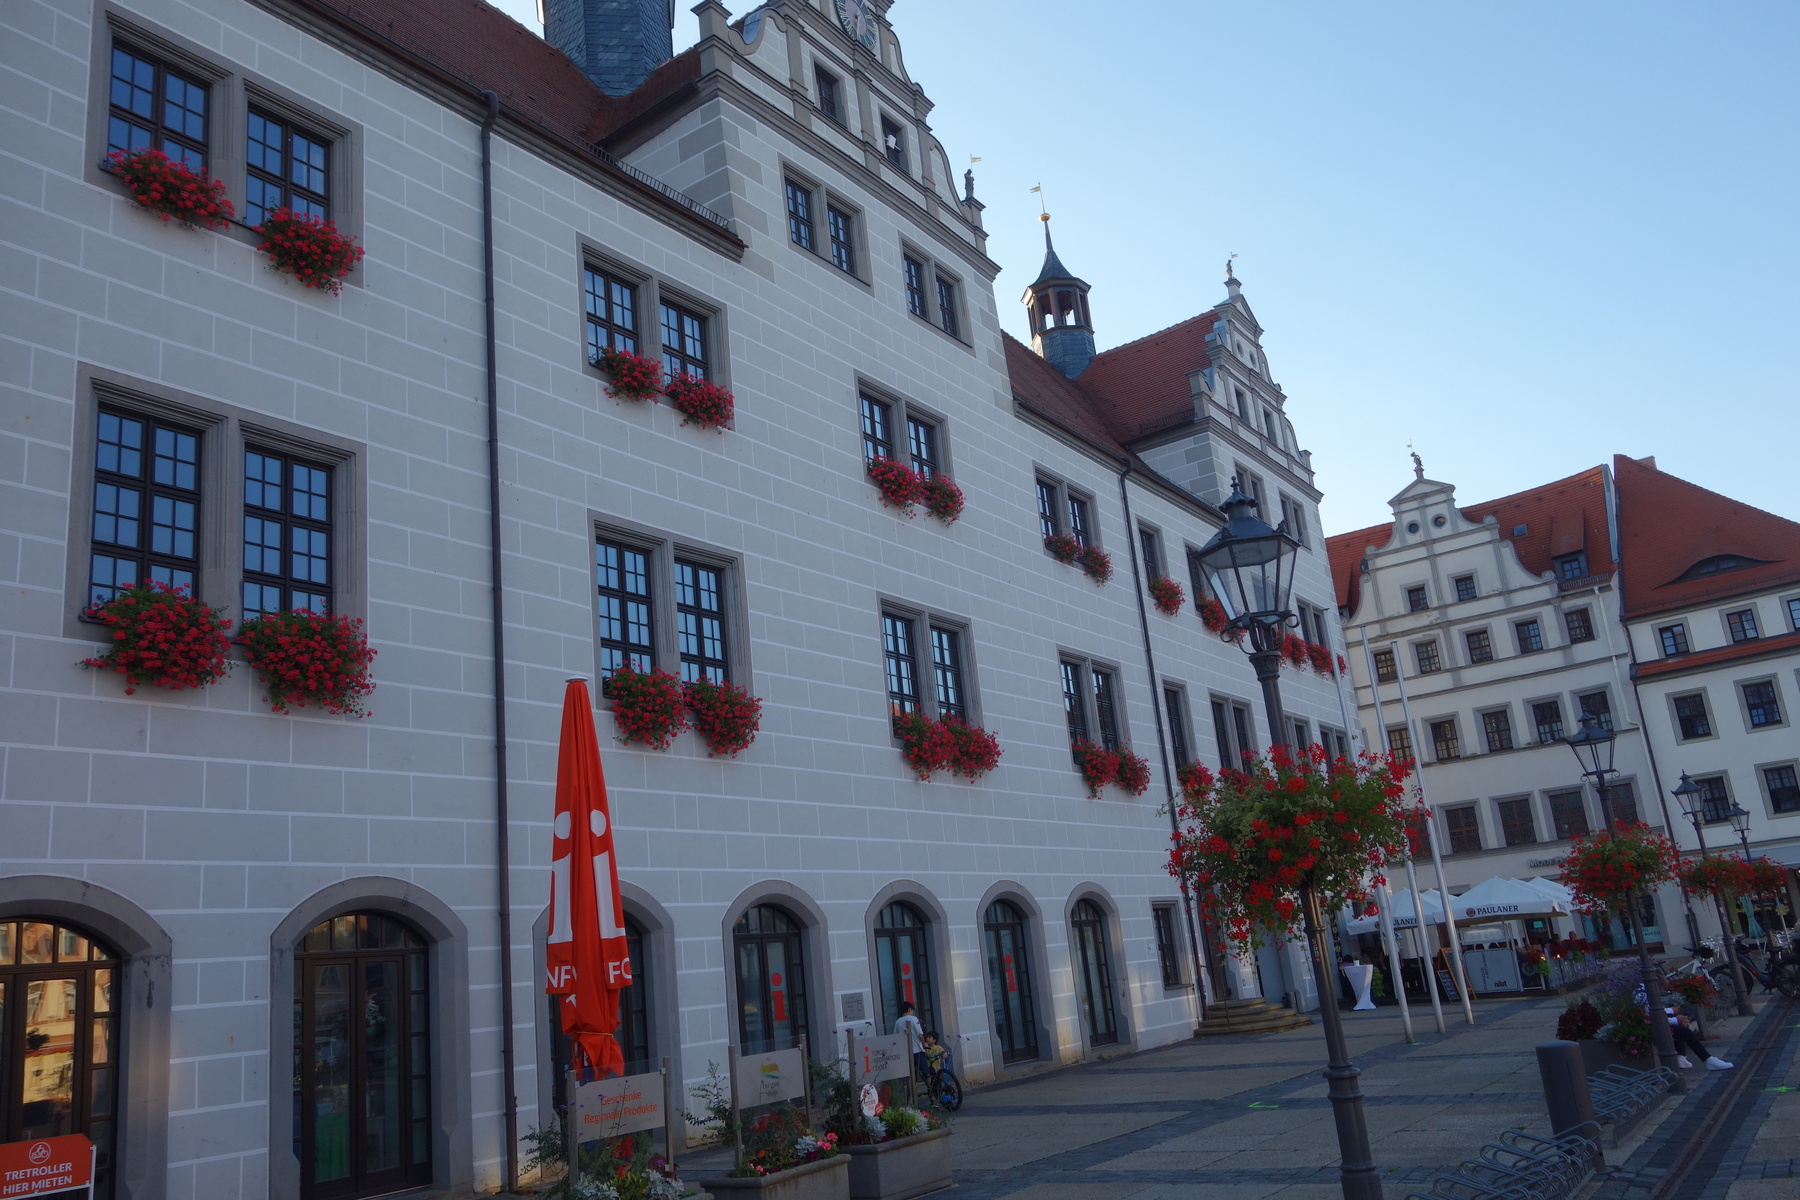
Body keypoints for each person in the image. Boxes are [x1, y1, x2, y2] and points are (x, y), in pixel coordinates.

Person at [894, 1001, 927, 1080]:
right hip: (917, 1050)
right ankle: (930, 1087)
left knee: (909, 1075)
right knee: (926, 1073)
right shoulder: (913, 1019)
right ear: (909, 1010)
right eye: (913, 1011)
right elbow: (920, 1035)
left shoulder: (898, 1022)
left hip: (905, 1053)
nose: (913, 1013)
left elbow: (895, 1038)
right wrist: (924, 1044)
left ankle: (911, 1087)